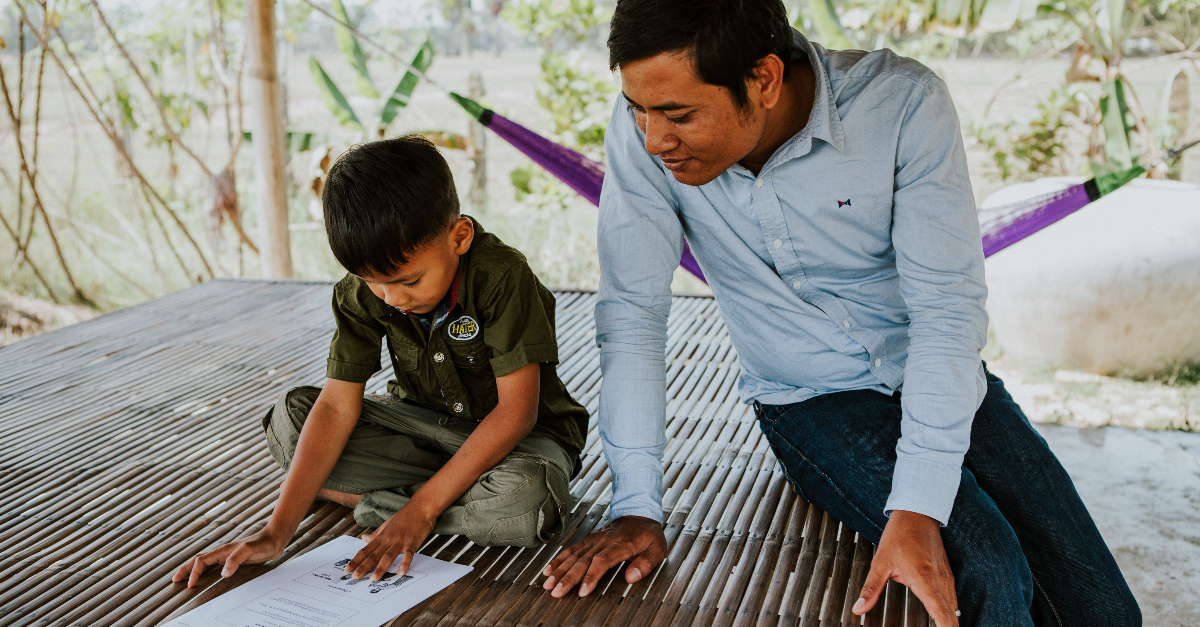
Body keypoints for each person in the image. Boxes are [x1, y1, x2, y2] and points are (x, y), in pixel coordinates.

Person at [540, 1, 1141, 625]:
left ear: (765, 80)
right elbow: (634, 312)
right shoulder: (646, 134)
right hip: (809, 398)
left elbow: (946, 311)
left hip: (935, 377)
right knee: (986, 562)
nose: (653, 139)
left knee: (1105, 610)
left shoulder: (903, 105)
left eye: (678, 115)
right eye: (637, 109)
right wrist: (637, 504)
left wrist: (918, 504)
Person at [173, 135, 589, 587]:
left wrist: (421, 511)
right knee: (291, 419)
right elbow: (335, 406)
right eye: (374, 283)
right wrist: (277, 534)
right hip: (419, 430)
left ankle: (385, 502)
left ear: (460, 237)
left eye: (409, 280)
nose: (393, 298)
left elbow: (516, 414)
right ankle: (446, 495)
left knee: (528, 496)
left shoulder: (501, 276)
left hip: (522, 443)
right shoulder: (361, 293)